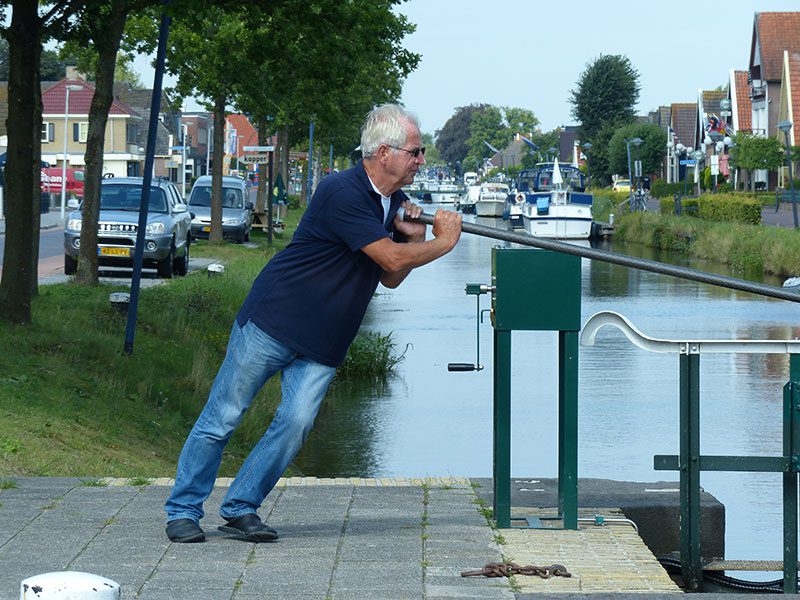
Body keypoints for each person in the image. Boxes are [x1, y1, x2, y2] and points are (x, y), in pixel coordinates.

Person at [164, 104, 462, 543]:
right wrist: (444, 242)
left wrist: (415, 237)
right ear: (385, 152)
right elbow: (390, 257)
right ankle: (183, 510)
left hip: (325, 339)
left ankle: (241, 506)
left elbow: (392, 276)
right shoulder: (342, 191)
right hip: (273, 321)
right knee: (223, 416)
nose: (422, 161)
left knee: (297, 423)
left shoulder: (395, 203)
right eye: (416, 152)